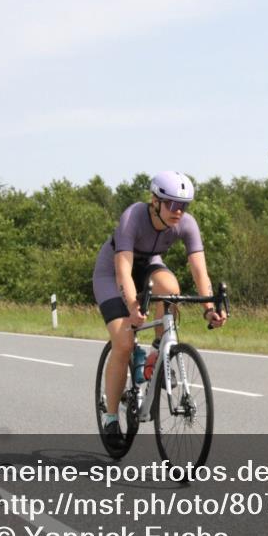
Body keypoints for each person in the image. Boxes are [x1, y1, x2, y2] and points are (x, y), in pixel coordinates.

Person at [92, 171, 227, 448]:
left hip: (149, 266)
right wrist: (132, 306)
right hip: (112, 273)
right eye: (172, 205)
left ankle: (157, 355)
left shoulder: (187, 224)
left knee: (171, 289)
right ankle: (111, 418)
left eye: (184, 205)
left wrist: (210, 308)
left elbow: (200, 271)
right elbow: (123, 271)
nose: (179, 212)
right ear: (154, 201)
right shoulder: (133, 217)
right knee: (124, 342)